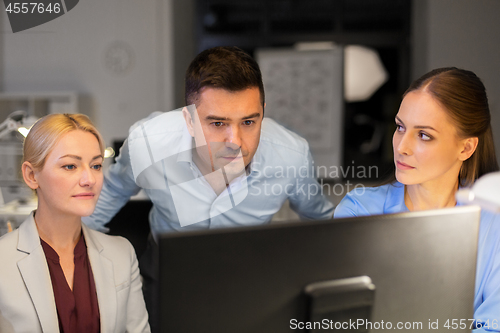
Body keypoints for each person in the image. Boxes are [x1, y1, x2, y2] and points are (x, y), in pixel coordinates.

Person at [83, 46, 334, 331]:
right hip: (168, 267)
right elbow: (113, 190)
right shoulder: (148, 144)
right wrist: (74, 252)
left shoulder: (291, 155)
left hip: (250, 271)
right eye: (217, 123)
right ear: (189, 120)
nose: (235, 141)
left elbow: (321, 221)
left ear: (263, 113)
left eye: (249, 122)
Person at [334, 67, 500, 331]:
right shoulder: (359, 210)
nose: (401, 147)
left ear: (466, 147)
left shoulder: (494, 222)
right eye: (400, 127)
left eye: (424, 135)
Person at [0, 114, 150, 333]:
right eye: (70, 166)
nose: (89, 179)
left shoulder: (121, 254)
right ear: (31, 175)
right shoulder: (3, 261)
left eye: (96, 166)